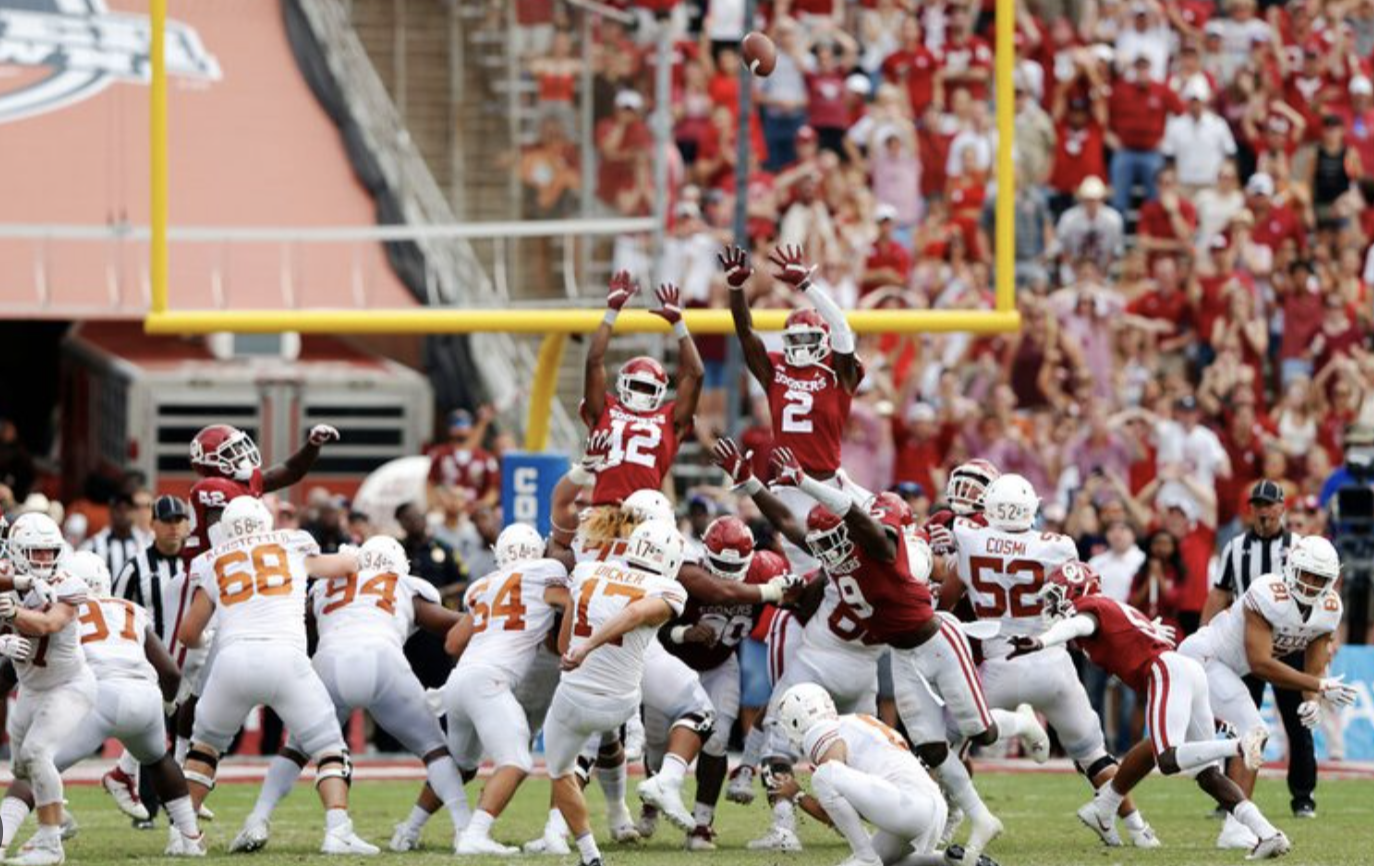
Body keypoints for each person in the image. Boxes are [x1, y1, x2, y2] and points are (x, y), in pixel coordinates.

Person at [1010, 562, 1291, 860]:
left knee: (1168, 758)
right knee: (1207, 774)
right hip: (1183, 670)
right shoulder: (1108, 608)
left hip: (1166, 670)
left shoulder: (1089, 609)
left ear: (1075, 590)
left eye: (1056, 596)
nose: (1052, 605)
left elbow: (1079, 624)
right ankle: (1268, 833)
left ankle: (1238, 745)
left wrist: (1041, 640)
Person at [942, 475, 1157, 847]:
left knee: (944, 748)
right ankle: (1138, 829)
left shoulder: (968, 538)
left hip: (997, 666)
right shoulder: (1059, 546)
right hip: (1051, 661)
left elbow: (946, 599)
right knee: (1094, 756)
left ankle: (946, 820)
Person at [231, 534, 465, 854]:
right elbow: (449, 625)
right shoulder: (406, 585)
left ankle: (257, 819)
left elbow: (296, 619)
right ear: (399, 564)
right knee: (435, 749)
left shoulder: (325, 586)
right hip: (383, 661)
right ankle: (465, 828)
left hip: (329, 663)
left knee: (296, 748)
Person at [176, 497, 377, 854]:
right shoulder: (292, 543)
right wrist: (357, 551)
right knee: (329, 748)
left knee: (203, 750)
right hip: (286, 658)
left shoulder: (213, 560)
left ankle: (185, 837)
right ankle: (337, 831)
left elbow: (188, 634)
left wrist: (211, 636)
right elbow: (344, 565)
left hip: (233, 659)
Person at [0, 552, 204, 856]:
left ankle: (7, 839)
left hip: (96, 695)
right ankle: (191, 839)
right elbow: (171, 671)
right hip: (144, 696)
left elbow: (22, 664)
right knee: (159, 760)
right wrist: (166, 703)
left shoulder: (59, 606)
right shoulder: (129, 608)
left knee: (35, 764)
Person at [1180, 535, 1352, 849]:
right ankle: (1112, 799)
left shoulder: (1329, 608)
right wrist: (1319, 687)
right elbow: (1260, 663)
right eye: (1308, 574)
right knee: (1180, 749)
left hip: (1229, 669)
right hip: (1205, 659)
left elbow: (1313, 667)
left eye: (1321, 578)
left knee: (1192, 746)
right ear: (1291, 569)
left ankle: (1235, 827)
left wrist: (1312, 701)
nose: (1313, 584)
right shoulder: (1268, 592)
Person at [644, 516, 796, 848]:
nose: (726, 572)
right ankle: (650, 806)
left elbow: (796, 597)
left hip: (720, 666)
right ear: (704, 552)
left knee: (716, 741)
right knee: (656, 742)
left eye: (735, 565)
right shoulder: (688, 571)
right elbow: (657, 630)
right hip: (673, 664)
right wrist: (687, 633)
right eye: (718, 564)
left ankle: (701, 826)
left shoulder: (765, 567)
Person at [545, 520, 690, 866]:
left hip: (574, 697)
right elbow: (637, 611)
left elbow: (565, 644)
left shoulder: (587, 571)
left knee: (561, 771)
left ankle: (590, 853)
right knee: (611, 732)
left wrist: (586, 647)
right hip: (622, 705)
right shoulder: (671, 589)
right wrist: (590, 646)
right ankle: (629, 758)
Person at [721, 244, 867, 567]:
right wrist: (736, 288)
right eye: (795, 340)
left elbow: (842, 328)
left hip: (829, 484)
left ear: (822, 340)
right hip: (787, 488)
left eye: (808, 340)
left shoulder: (837, 372)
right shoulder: (775, 368)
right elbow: (745, 333)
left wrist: (806, 287)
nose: (800, 348)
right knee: (809, 575)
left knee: (866, 555)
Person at [441, 524, 570, 854]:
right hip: (490, 681)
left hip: (457, 682)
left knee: (459, 765)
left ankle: (409, 829)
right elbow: (568, 603)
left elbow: (453, 643)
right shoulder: (546, 570)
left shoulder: (483, 584)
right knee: (516, 761)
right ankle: (474, 835)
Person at [1204, 479, 1321, 818]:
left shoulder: (1299, 546)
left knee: (1297, 722)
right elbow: (1220, 592)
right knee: (1239, 722)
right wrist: (1205, 632)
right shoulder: (1236, 547)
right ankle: (1231, 798)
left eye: (1270, 504)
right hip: (1244, 649)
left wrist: (1326, 635)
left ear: (1282, 507)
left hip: (1288, 645)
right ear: (1250, 509)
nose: (1264, 511)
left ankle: (1303, 797)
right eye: (1258, 505)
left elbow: (1321, 589)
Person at [769, 683, 959, 866]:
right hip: (929, 809)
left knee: (824, 775)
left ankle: (865, 857)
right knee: (881, 862)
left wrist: (797, 795)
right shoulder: (855, 722)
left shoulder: (820, 731)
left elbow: (833, 812)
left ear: (796, 718)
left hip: (911, 807)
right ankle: (952, 861)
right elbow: (851, 807)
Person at [0, 513, 98, 866]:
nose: (44, 559)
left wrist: (13, 617)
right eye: (35, 552)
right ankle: (58, 816)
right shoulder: (9, 582)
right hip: (30, 690)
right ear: (17, 551)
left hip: (68, 684)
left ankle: (50, 843)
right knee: (22, 769)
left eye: (48, 551)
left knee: (37, 754)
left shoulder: (67, 582)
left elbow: (48, 623)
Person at [106, 495, 194, 826]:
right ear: (152, 524)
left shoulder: (196, 563)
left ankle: (183, 802)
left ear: (187, 524)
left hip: (190, 661)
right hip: (151, 664)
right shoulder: (135, 568)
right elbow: (115, 612)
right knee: (152, 734)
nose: (173, 527)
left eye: (179, 520)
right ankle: (147, 807)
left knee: (188, 732)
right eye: (166, 521)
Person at [582, 273, 703, 507]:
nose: (640, 392)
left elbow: (696, 373)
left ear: (659, 391)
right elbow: (594, 361)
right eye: (636, 385)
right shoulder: (605, 407)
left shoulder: (670, 418)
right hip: (603, 511)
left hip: (647, 516)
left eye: (647, 388)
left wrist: (679, 325)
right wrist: (611, 312)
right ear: (623, 383)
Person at [184, 422, 340, 563]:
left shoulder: (244, 482)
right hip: (205, 577)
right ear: (210, 461)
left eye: (240, 446)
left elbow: (291, 471)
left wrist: (312, 445)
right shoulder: (213, 490)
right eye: (231, 451)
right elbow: (224, 549)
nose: (241, 453)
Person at [80, 492, 150, 582]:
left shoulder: (145, 544)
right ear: (111, 512)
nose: (123, 514)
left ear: (133, 513)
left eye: (127, 509)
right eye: (119, 509)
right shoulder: (93, 545)